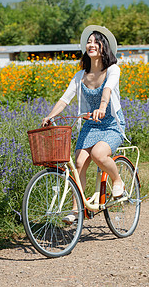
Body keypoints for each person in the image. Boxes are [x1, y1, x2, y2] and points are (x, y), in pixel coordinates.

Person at [42, 25, 127, 223]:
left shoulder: (113, 70)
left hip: (111, 123)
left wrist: (103, 107)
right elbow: (65, 99)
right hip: (91, 123)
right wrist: (50, 115)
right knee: (78, 163)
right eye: (88, 42)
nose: (91, 45)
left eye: (96, 42)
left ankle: (117, 179)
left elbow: (107, 90)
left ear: (104, 47)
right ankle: (77, 208)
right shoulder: (80, 76)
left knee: (99, 154)